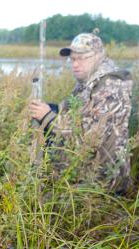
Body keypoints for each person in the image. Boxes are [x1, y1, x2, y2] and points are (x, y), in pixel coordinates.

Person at [28, 32, 133, 194]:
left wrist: (48, 117)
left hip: (102, 180)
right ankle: (38, 178)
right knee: (45, 115)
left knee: (44, 204)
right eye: (73, 59)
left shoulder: (112, 85)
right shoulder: (88, 82)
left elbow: (91, 137)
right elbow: (69, 111)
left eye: (82, 58)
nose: (75, 64)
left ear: (99, 56)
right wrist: (49, 111)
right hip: (82, 168)